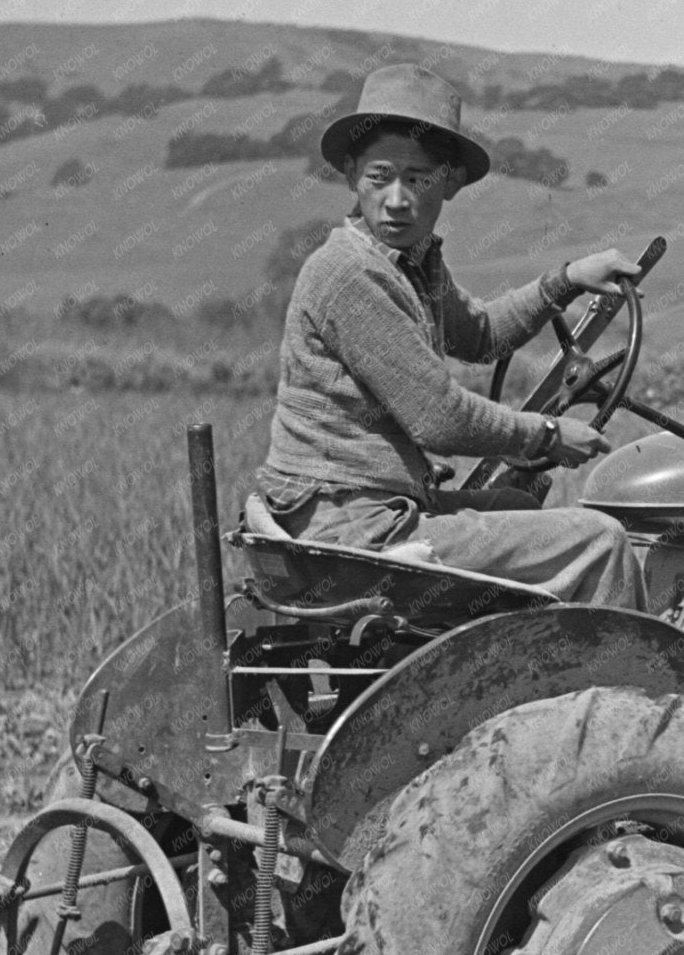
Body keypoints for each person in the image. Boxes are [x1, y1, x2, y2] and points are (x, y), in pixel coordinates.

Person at [255, 62, 648, 607]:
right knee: (602, 539)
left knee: (519, 504)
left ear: (450, 184)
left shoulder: (408, 262)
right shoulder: (352, 272)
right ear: (351, 175)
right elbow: (438, 418)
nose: (397, 198)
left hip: (362, 512)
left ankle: (532, 675)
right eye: (380, 175)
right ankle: (624, 688)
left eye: (418, 180)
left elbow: (481, 335)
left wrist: (567, 280)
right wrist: (549, 434)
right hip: (352, 530)